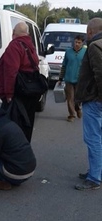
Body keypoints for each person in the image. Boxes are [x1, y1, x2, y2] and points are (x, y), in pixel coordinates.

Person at [0, 21, 40, 142]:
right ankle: (25, 153)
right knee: (27, 125)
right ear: (27, 33)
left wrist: (8, 94)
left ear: (14, 33)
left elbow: (11, 72)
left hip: (17, 94)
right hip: (30, 92)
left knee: (12, 128)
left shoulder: (14, 46)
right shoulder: (30, 46)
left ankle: (14, 156)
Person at [75, 18, 102, 191]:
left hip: (94, 100)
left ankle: (94, 178)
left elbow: (100, 74)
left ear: (90, 31)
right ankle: (96, 171)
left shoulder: (94, 46)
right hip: (96, 99)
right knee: (98, 138)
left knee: (93, 139)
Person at [57, 35, 86, 122]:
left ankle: (78, 108)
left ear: (82, 43)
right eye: (76, 42)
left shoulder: (85, 52)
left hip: (80, 80)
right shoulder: (68, 52)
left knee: (78, 98)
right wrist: (60, 78)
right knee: (70, 98)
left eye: (79, 42)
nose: (77, 44)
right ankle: (72, 115)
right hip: (69, 79)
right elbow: (64, 65)